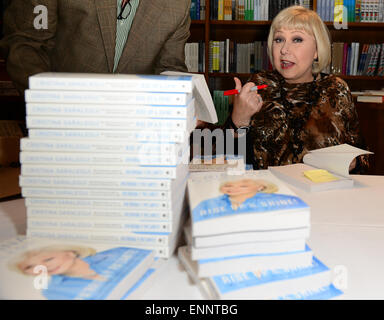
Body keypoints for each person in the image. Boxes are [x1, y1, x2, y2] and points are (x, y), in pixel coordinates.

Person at [200, 6, 369, 173]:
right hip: (269, 193)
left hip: (323, 194)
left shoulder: (336, 88)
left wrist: (354, 163)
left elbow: (363, 157)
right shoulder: (258, 85)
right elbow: (217, 160)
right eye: (278, 39)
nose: (284, 50)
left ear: (317, 50)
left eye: (297, 40)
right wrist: (237, 121)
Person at [1, 0, 190, 93]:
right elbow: (26, 45)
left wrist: (185, 105)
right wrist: (50, 103)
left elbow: (170, 69)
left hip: (134, 137)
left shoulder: (178, 6)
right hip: (58, 127)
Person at [11, 245, 143, 300]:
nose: (45, 267)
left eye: (48, 259)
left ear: (70, 252)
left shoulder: (113, 254)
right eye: (30, 267)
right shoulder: (52, 291)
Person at [192, 178, 308, 221]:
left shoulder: (277, 201)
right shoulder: (207, 203)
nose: (234, 189)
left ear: (260, 187)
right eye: (228, 185)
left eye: (243, 186)